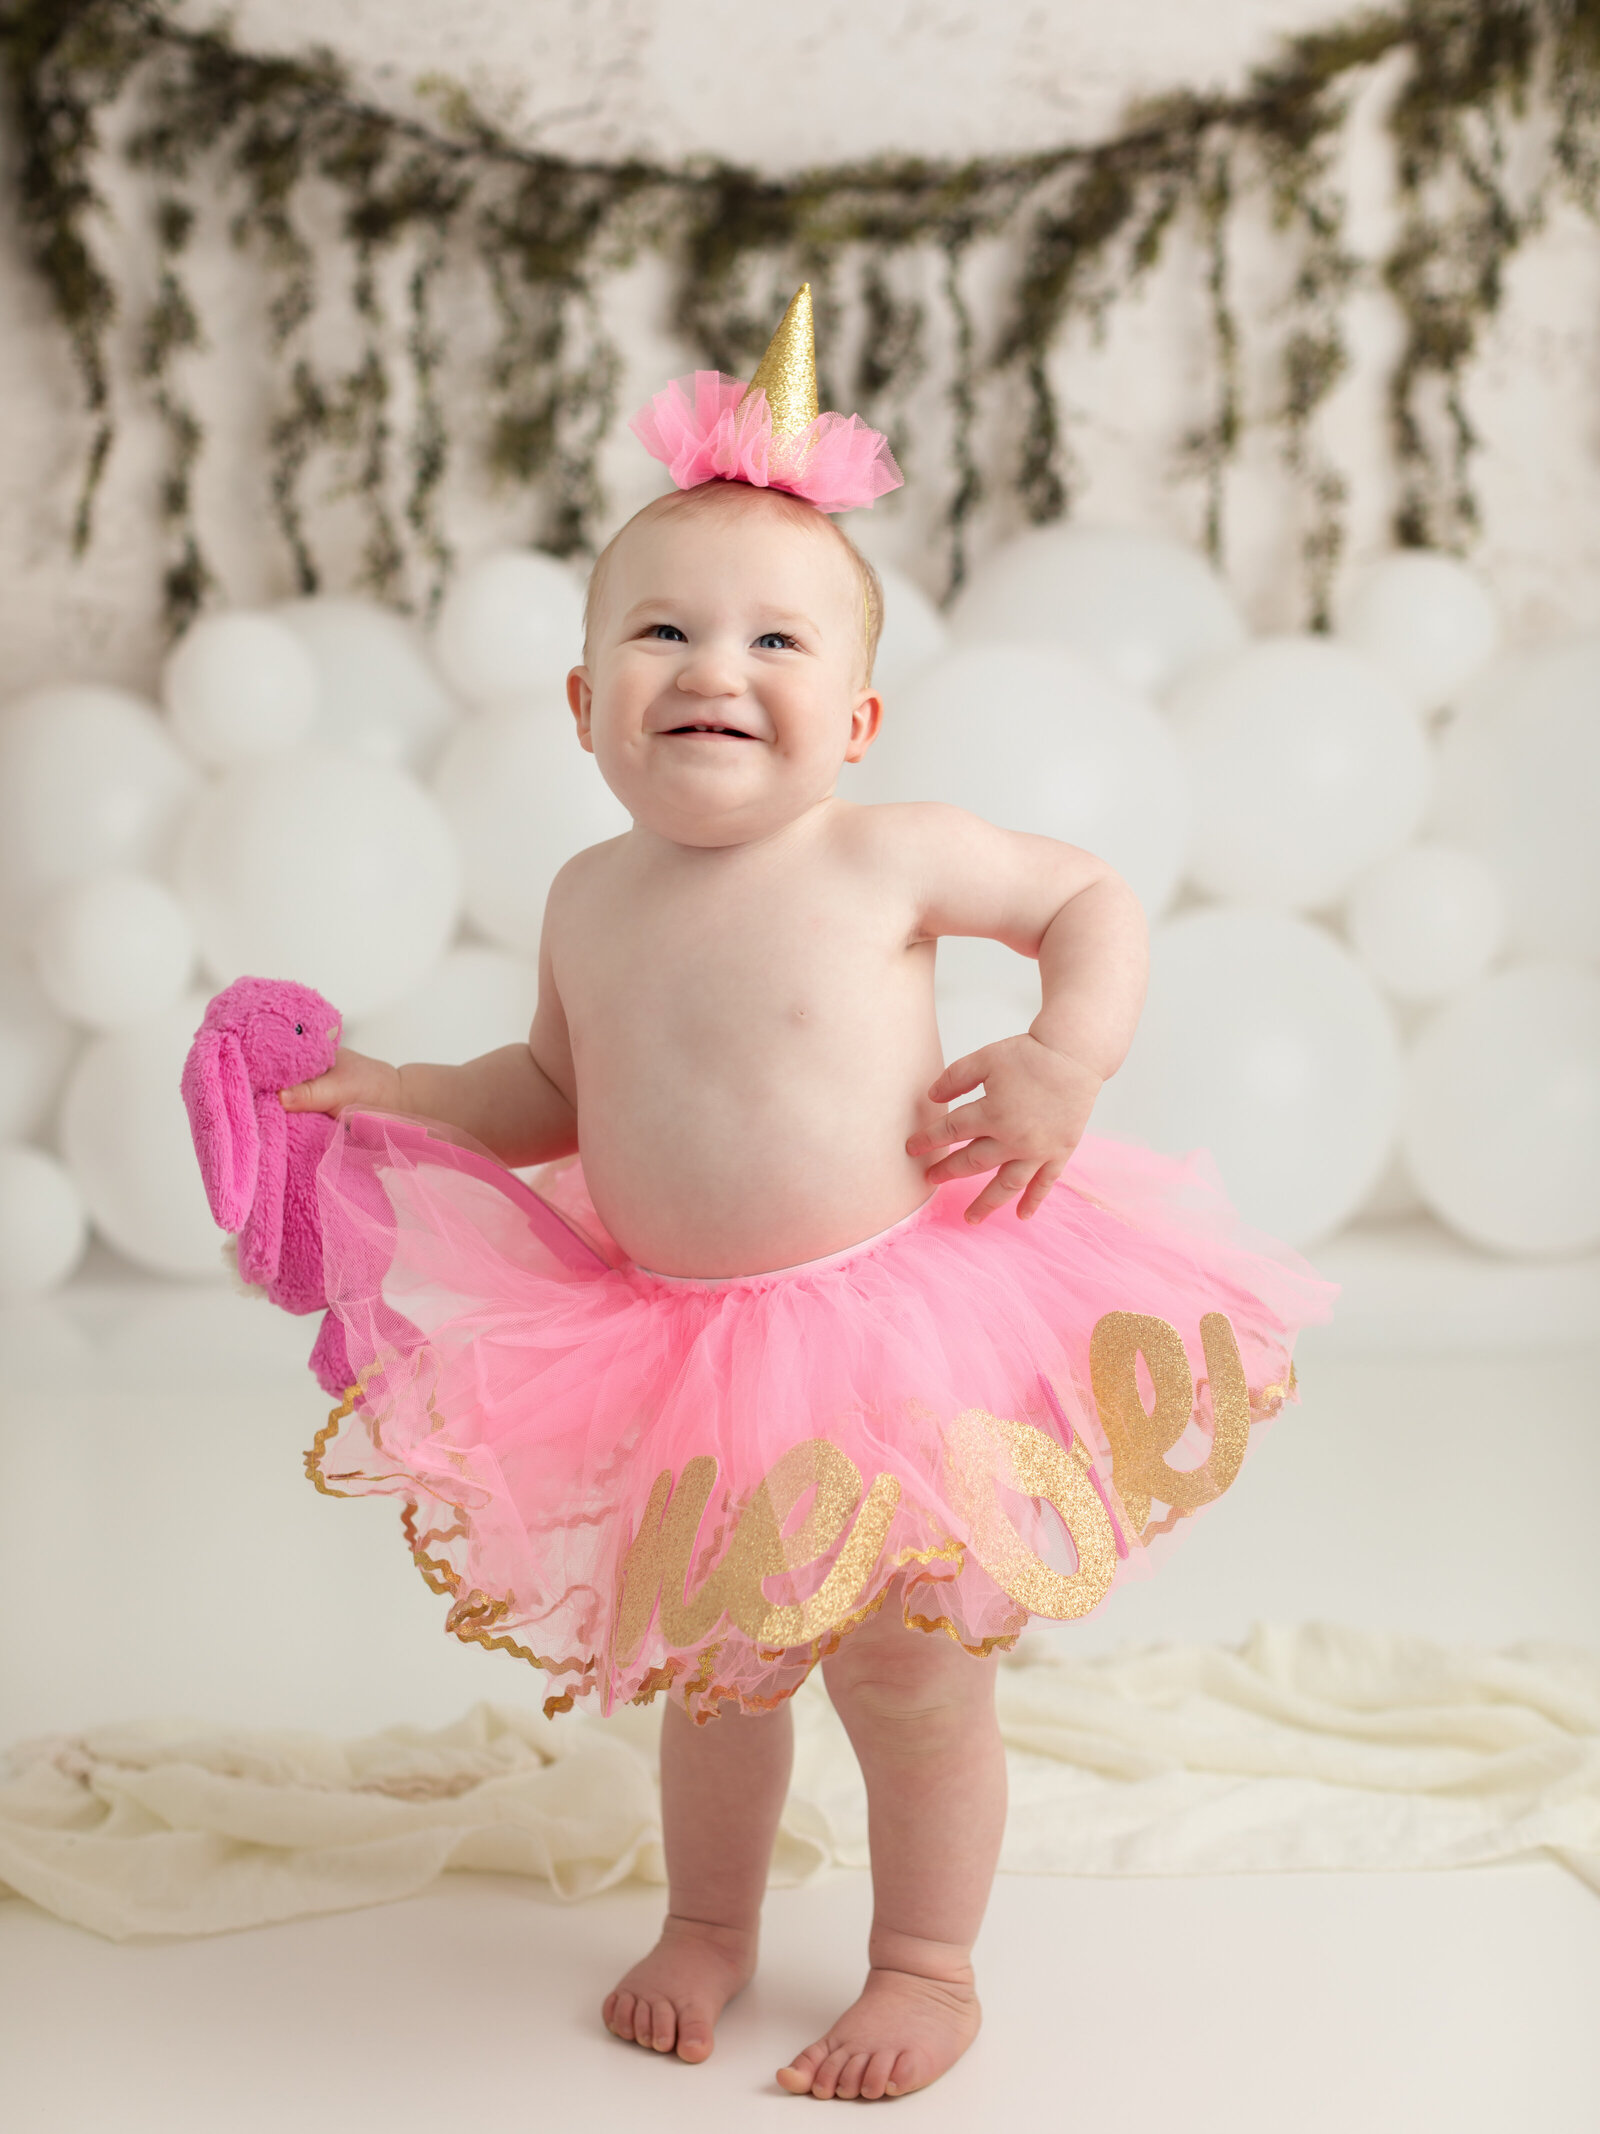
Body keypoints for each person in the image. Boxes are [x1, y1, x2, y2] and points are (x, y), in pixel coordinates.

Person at [283, 288, 1333, 2102]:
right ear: (585, 700)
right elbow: (548, 1088)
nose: (714, 666)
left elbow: (1089, 900)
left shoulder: (884, 853)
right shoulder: (588, 897)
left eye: (775, 639)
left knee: (915, 1678)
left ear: (852, 717)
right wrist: (398, 1100)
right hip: (683, 1350)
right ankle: (709, 1924)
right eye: (664, 630)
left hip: (893, 1330)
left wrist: (1063, 1059)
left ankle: (928, 1961)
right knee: (722, 1674)